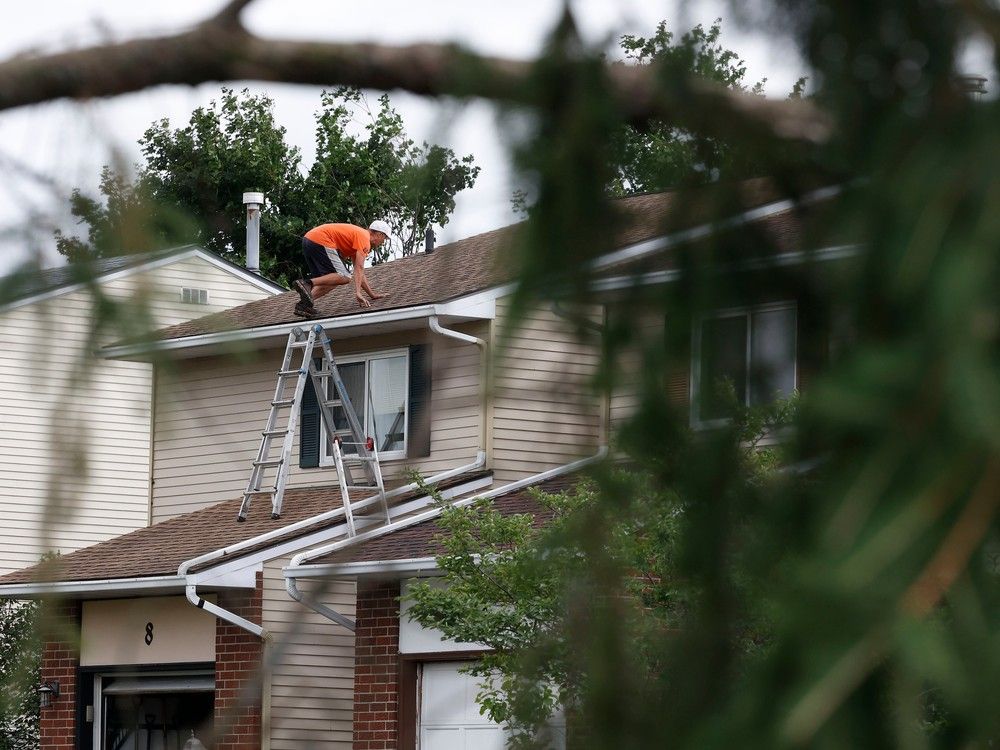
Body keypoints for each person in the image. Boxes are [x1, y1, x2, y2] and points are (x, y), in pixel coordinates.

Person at [292, 220, 391, 317]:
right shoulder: (365, 238)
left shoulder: (358, 237)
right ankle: (307, 283)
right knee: (344, 277)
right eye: (385, 238)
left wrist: (371, 295)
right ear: (380, 235)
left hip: (308, 240)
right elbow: (359, 268)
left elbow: (359, 272)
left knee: (332, 281)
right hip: (321, 239)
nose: (383, 242)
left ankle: (304, 305)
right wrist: (358, 293)